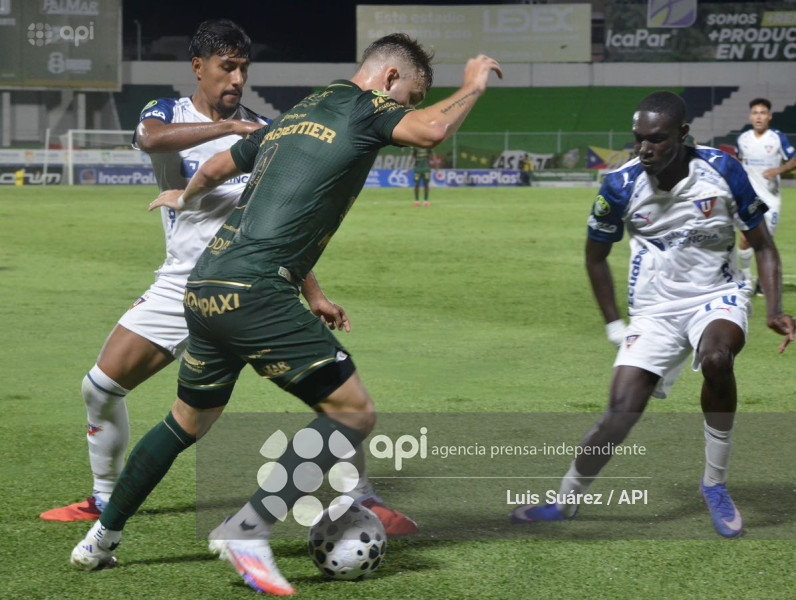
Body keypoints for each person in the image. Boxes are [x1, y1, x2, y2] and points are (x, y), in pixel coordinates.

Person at [70, 34, 502, 594]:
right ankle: (247, 530)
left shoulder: (300, 110)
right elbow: (434, 131)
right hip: (257, 292)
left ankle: (100, 539)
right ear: (390, 80)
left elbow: (221, 163)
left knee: (187, 421)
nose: (409, 110)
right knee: (353, 415)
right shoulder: (368, 106)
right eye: (411, 97)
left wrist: (186, 198)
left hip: (206, 284)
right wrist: (471, 86)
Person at [43, 19, 416, 537]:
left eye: (244, 68)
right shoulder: (169, 114)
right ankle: (104, 497)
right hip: (179, 285)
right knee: (100, 388)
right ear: (198, 67)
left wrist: (314, 291)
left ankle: (362, 496)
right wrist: (228, 130)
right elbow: (150, 139)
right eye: (227, 67)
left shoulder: (275, 129)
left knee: (334, 392)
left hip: (254, 280)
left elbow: (288, 219)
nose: (237, 78)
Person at [511, 91, 793, 539]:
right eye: (638, 139)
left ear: (683, 135)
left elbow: (763, 246)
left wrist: (775, 309)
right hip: (654, 311)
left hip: (716, 295)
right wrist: (614, 324)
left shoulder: (722, 170)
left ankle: (714, 485)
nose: (644, 149)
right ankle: (565, 501)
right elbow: (595, 257)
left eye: (656, 140)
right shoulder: (620, 185)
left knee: (718, 359)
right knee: (620, 413)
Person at [736, 98, 796, 287]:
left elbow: (794, 159)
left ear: (769, 117)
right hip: (752, 199)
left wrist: (777, 171)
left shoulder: (777, 138)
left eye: (762, 113)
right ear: (750, 116)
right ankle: (746, 280)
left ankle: (763, 281)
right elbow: (739, 160)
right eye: (755, 113)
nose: (758, 116)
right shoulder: (743, 139)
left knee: (765, 242)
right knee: (745, 238)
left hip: (771, 199)